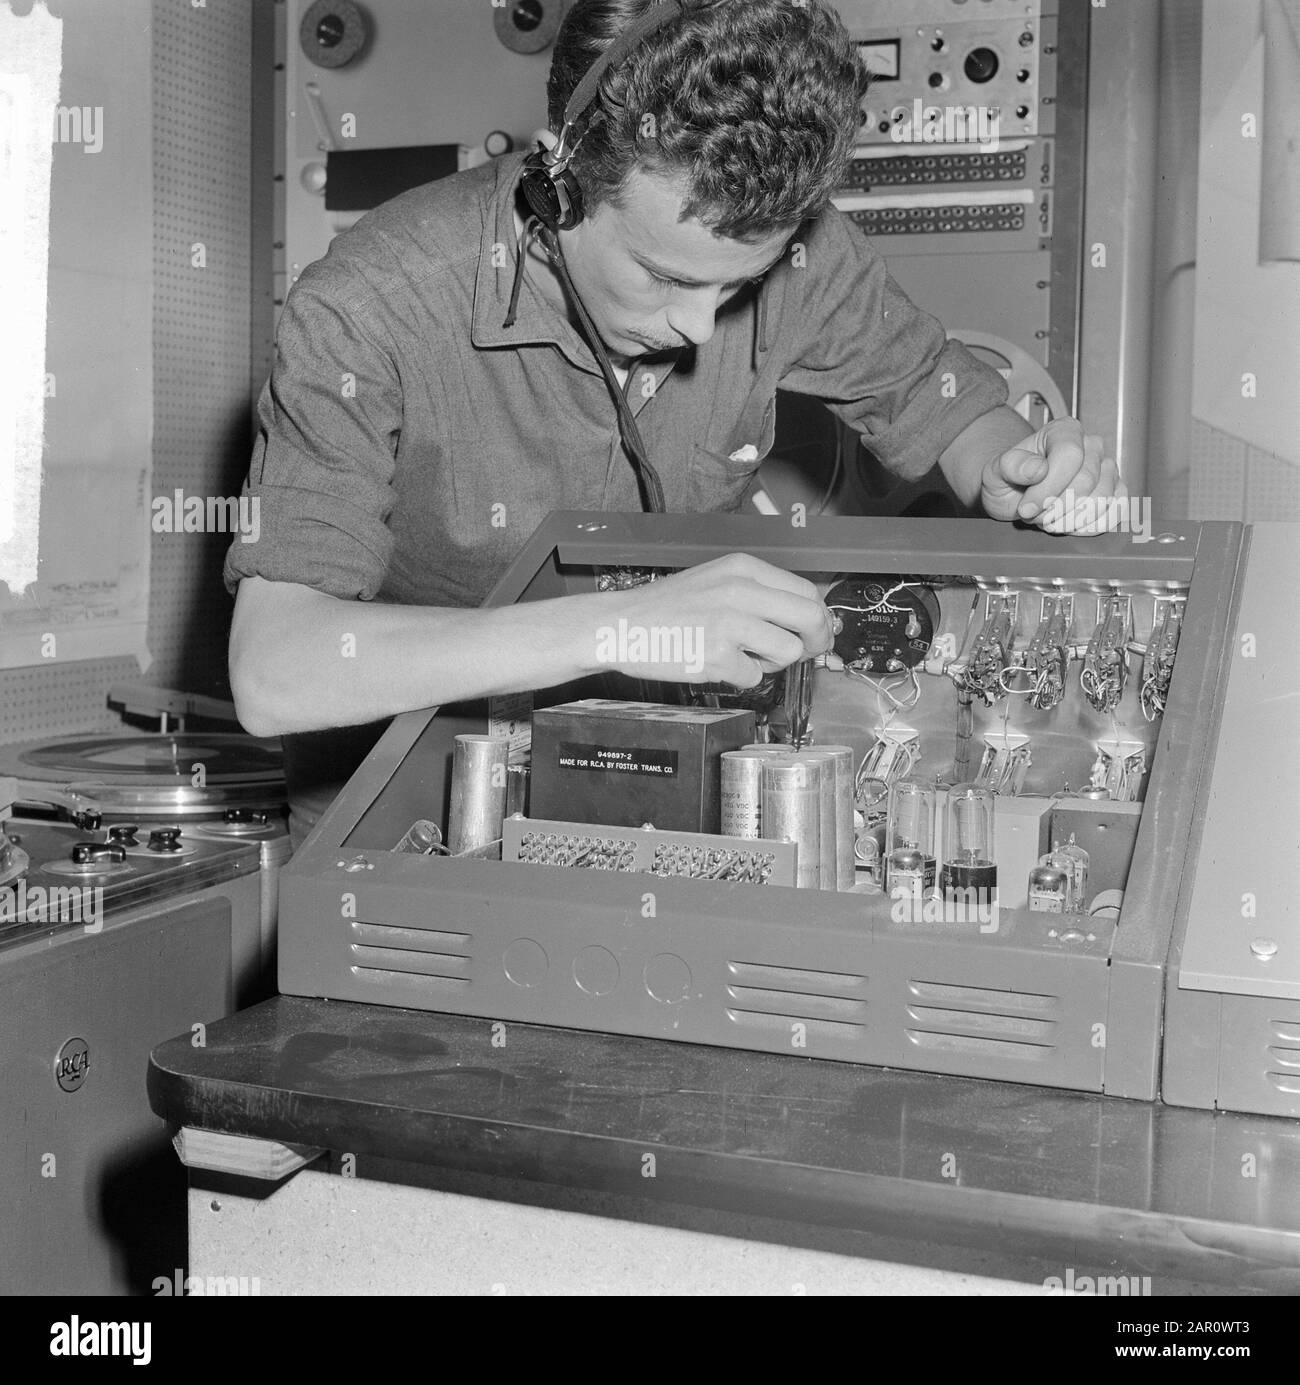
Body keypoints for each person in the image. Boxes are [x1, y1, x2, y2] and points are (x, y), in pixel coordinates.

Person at [226, 0, 1125, 845]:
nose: (701, 328)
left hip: (680, 811)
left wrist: (1021, 463)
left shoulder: (802, 254)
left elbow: (945, 402)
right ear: (559, 183)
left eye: (738, 285)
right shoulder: (366, 307)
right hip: (418, 821)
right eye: (667, 277)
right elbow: (277, 667)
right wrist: (630, 626)